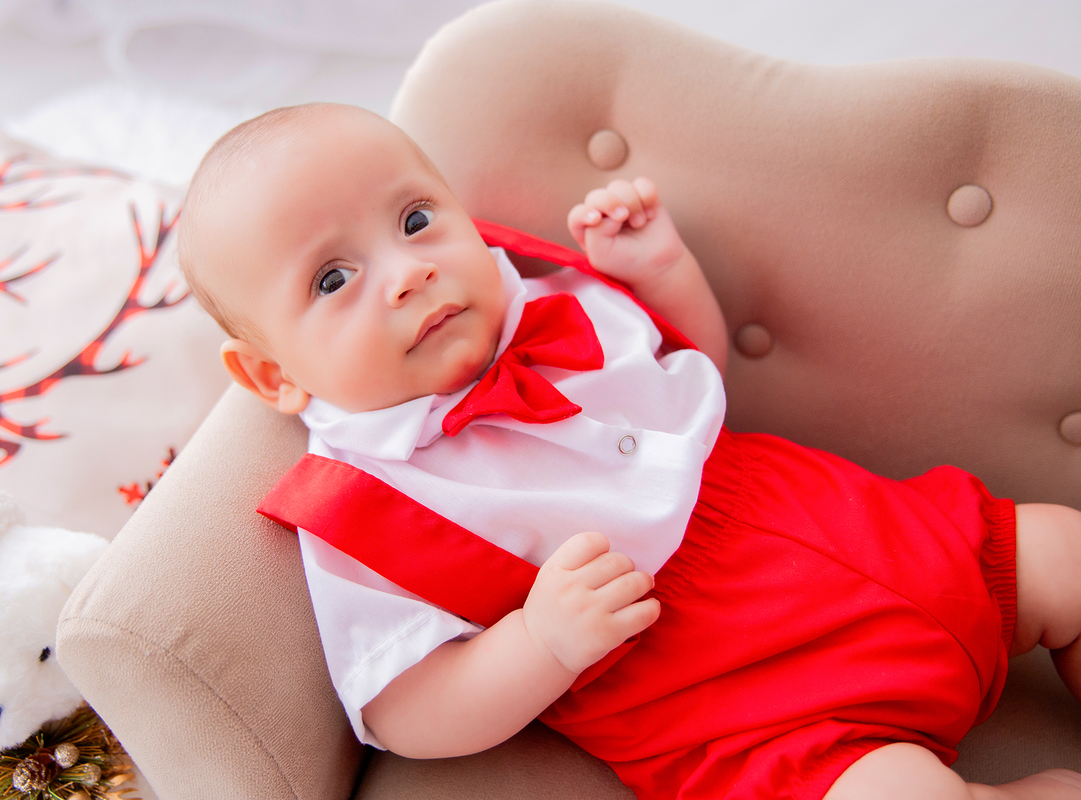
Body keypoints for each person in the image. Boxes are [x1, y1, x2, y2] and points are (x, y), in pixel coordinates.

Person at [177, 102, 1081, 800]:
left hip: (865, 531)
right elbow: (402, 708)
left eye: (415, 221)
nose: (409, 269)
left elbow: (691, 374)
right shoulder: (362, 509)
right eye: (335, 279)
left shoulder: (547, 301)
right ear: (270, 376)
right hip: (750, 700)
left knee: (1064, 553)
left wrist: (657, 272)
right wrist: (539, 642)